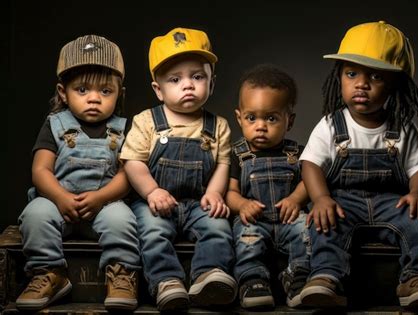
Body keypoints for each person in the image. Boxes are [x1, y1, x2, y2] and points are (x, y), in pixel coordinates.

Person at [299, 21, 418, 309]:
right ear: (339, 77)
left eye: (375, 77)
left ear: (394, 85)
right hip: (343, 201)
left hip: (392, 202)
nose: (361, 84)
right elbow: (311, 165)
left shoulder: (401, 127)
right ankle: (326, 276)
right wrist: (321, 198)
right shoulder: (331, 124)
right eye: (351, 74)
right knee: (325, 222)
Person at [16, 35, 141, 311]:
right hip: (58, 203)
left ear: (119, 91)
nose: (94, 99)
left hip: (105, 203)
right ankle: (49, 272)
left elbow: (126, 176)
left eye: (105, 91)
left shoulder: (123, 129)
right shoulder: (55, 124)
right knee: (36, 214)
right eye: (82, 90)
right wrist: (60, 197)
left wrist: (101, 197)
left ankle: (121, 274)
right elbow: (41, 170)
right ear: (63, 92)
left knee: (123, 219)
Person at [120, 27, 237, 311]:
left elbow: (223, 164)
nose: (188, 85)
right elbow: (132, 162)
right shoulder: (147, 120)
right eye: (175, 79)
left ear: (212, 82)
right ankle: (166, 280)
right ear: (158, 90)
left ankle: (208, 274)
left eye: (198, 76)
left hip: (198, 202)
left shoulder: (218, 125)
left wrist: (214, 193)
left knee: (218, 226)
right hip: (156, 201)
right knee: (152, 230)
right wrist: (152, 191)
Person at [226, 64, 310, 310]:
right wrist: (242, 204)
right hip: (255, 220)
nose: (260, 126)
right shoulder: (238, 156)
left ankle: (298, 278)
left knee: (306, 231)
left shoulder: (297, 154)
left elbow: (309, 182)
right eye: (252, 118)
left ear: (289, 120)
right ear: (239, 117)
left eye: (271, 118)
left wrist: (296, 199)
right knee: (245, 236)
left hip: (289, 219)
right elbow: (230, 192)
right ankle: (252, 280)